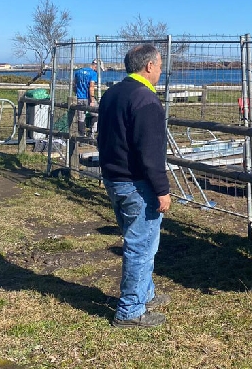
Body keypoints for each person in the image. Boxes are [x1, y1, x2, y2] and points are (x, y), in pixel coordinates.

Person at [97, 44, 171, 328]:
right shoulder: (146, 100)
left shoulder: (113, 93)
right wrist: (162, 190)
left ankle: (145, 293)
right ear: (149, 66)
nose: (161, 71)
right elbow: (150, 153)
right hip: (137, 183)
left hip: (114, 178)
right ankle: (130, 310)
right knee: (141, 247)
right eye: (160, 66)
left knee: (136, 239)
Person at [73, 59, 99, 137]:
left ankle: (81, 136)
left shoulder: (78, 72)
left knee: (81, 117)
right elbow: (91, 87)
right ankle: (92, 132)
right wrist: (92, 99)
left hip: (79, 98)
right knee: (96, 113)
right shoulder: (93, 73)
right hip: (87, 98)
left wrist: (77, 93)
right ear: (95, 65)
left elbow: (74, 85)